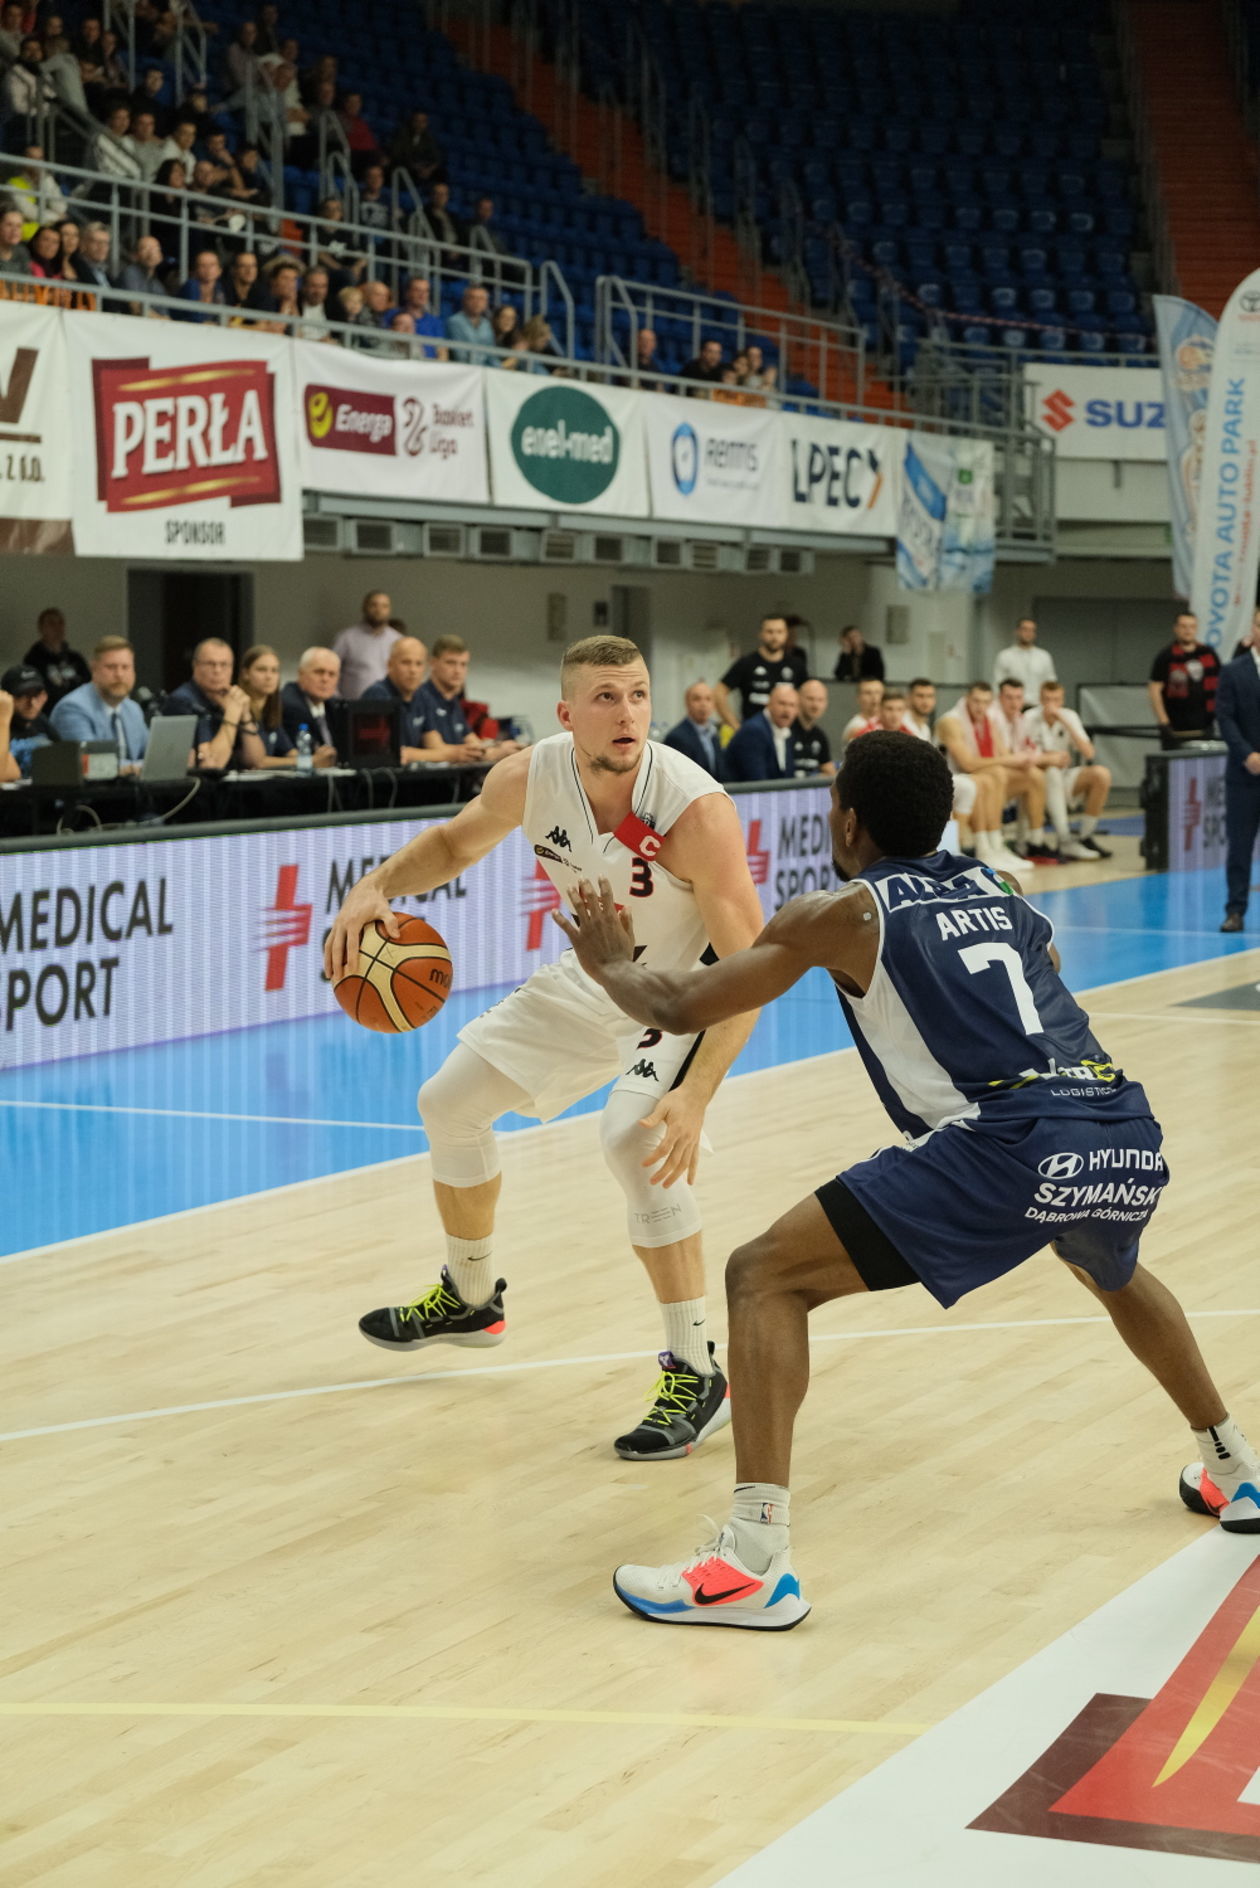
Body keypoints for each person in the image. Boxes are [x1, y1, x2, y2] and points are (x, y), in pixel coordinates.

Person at [558, 731, 1260, 1630]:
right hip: (1119, 1123)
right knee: (1106, 1266)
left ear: (846, 820)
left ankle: (753, 1561)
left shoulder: (842, 911)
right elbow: (1041, 989)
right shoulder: (999, 887)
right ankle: (1235, 1469)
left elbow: (677, 1005)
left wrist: (611, 960)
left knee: (763, 1274)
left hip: (1009, 1139)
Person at [326, 634, 767, 1455]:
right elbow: (455, 845)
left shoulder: (695, 811)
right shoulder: (529, 776)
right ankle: (470, 1295)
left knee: (632, 1144)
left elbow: (749, 970)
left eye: (637, 693)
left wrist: (694, 1091)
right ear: (567, 715)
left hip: (685, 994)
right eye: (605, 696)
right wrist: (373, 887)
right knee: (447, 1104)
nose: (626, 711)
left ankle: (699, 1366)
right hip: (597, 979)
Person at [935, 681, 1028, 878]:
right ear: (967, 699)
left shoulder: (987, 721)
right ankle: (984, 847)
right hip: (947, 777)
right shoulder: (951, 721)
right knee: (985, 780)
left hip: (968, 777)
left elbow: (1000, 756)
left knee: (1001, 775)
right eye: (976, 701)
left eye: (986, 702)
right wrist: (1011, 759)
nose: (980, 707)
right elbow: (967, 764)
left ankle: (998, 845)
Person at [1021, 680, 1114, 861]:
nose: (1051, 704)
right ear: (1040, 699)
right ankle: (1064, 839)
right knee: (1051, 771)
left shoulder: (1069, 716)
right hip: (1038, 778)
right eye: (1047, 699)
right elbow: (1022, 754)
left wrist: (1063, 720)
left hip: (1064, 776)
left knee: (1101, 774)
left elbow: (1088, 753)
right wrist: (1049, 758)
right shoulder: (1029, 718)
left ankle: (1085, 836)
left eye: (1056, 700)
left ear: (1062, 700)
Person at [160, 638, 265, 771]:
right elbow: (213, 765)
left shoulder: (230, 698)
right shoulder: (182, 701)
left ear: (232, 669)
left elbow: (256, 760)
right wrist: (232, 714)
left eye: (224, 664)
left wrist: (244, 715)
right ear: (195, 665)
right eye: (210, 664)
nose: (217, 670)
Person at [416, 633, 519, 764]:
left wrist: (498, 746)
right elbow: (439, 750)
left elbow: (472, 742)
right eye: (450, 663)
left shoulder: (453, 701)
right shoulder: (421, 697)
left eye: (463, 664)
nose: (458, 670)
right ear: (433, 663)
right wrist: (495, 753)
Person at [994, 678, 1067, 863]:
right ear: (1000, 697)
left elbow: (1026, 751)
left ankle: (1033, 841)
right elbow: (1008, 758)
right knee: (1034, 776)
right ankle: (1025, 843)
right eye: (1009, 697)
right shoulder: (993, 718)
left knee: (1039, 775)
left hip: (1009, 773)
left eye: (1018, 697)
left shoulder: (1019, 719)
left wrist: (1048, 758)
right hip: (991, 773)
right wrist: (1048, 758)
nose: (1014, 702)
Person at [1215, 637, 1260, 933]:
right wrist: (1247, 754)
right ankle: (1235, 911)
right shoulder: (1233, 671)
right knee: (1240, 847)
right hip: (1244, 774)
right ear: (1253, 630)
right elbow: (1225, 717)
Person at [49, 636, 149, 766]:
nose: (119, 674)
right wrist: (140, 767)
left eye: (125, 667)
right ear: (94, 669)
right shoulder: (72, 708)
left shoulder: (133, 709)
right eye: (111, 667)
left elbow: (153, 756)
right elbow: (94, 764)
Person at [238, 645, 335, 768]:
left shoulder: (271, 712)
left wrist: (317, 757)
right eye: (262, 670)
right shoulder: (239, 709)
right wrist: (308, 762)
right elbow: (257, 762)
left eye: (274, 670)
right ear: (246, 673)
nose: (269, 676)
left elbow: (289, 751)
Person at [715, 614, 809, 730]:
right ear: (760, 634)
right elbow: (719, 692)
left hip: (786, 733)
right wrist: (735, 726)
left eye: (779, 632)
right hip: (754, 732)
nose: (775, 637)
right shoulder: (746, 663)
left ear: (786, 635)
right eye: (770, 632)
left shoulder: (796, 665)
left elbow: (808, 696)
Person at [1148, 610, 1221, 747]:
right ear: (1175, 628)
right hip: (1175, 728)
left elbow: (1222, 685)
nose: (1188, 631)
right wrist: (1163, 722)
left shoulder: (1209, 653)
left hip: (1205, 726)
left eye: (1192, 626)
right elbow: (1154, 690)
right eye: (1183, 626)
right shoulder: (1166, 657)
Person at [362, 636, 438, 761]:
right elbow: (396, 754)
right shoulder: (377, 695)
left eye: (418, 664)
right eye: (406, 662)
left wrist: (461, 752)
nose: (413, 670)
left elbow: (435, 746)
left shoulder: (422, 695)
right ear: (390, 665)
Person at [724, 683, 799, 783]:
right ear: (769, 703)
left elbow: (788, 777)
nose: (787, 710)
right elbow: (757, 783)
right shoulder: (754, 731)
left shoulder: (785, 732)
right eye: (782, 703)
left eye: (792, 705)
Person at [333, 590, 399, 700]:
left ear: (389, 610)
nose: (379, 610)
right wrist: (336, 701)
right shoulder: (346, 638)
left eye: (384, 606)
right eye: (374, 605)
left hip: (389, 708)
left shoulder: (398, 640)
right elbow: (330, 670)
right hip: (352, 707)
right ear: (364, 607)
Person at [23, 606, 90, 706]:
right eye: (51, 623)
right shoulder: (33, 660)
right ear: (41, 628)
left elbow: (88, 685)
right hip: (49, 711)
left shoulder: (76, 658)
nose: (57, 628)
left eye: (60, 623)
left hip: (78, 708)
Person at [280, 646, 341, 749]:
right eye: (319, 672)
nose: (325, 679)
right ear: (301, 674)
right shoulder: (291, 705)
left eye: (332, 674)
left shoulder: (335, 705)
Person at [664, 681, 725, 780]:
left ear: (714, 704)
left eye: (708, 699)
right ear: (687, 703)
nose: (703, 704)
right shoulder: (676, 738)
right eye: (697, 699)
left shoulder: (713, 734)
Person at [0, 663, 54, 775]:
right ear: (6, 697)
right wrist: (3, 718)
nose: (32, 703)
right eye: (23, 696)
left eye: (37, 695)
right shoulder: (2, 725)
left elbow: (67, 757)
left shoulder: (40, 721)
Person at [994, 614, 1056, 698]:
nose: (1028, 633)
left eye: (1032, 630)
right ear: (1017, 631)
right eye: (1025, 629)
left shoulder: (1044, 656)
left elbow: (1050, 683)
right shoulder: (1005, 655)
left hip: (1037, 705)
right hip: (1012, 705)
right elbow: (998, 683)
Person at [792, 678, 835, 777]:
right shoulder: (785, 731)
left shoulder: (820, 736)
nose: (815, 705)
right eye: (810, 699)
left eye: (820, 700)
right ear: (798, 699)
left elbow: (830, 774)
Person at [445, 282, 495, 365]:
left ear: (486, 303)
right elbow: (460, 356)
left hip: (484, 371)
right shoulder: (455, 322)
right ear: (464, 300)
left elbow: (492, 355)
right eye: (473, 298)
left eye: (481, 299)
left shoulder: (486, 325)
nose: (477, 302)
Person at [840, 677, 884, 744]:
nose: (874, 697)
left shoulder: (895, 723)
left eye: (878, 692)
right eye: (868, 693)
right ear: (858, 698)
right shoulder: (855, 727)